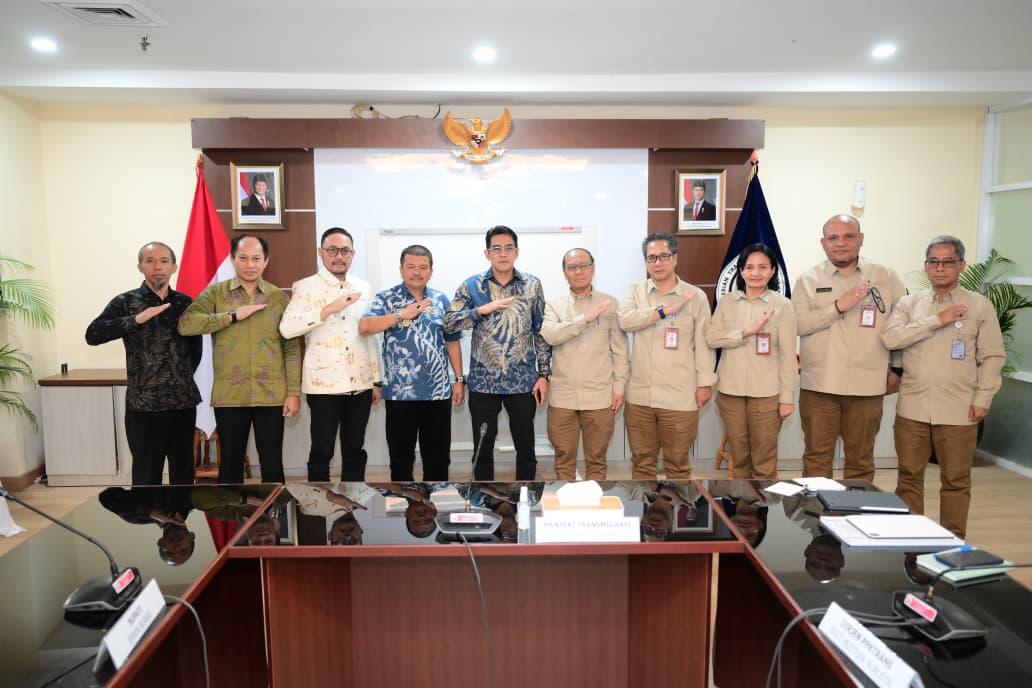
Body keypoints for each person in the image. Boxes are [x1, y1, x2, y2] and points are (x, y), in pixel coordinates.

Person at [880, 235, 1004, 538]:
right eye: (934, 262)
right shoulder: (909, 304)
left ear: (961, 265)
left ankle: (952, 542)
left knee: (956, 481)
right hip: (913, 408)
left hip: (959, 409)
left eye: (948, 262)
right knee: (909, 477)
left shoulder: (979, 306)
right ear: (926, 266)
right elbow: (891, 338)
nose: (940, 268)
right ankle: (909, 540)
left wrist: (983, 397)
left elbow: (992, 356)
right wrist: (935, 320)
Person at [178, 234, 301, 483]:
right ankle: (234, 510)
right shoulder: (216, 293)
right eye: (243, 258)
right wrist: (231, 316)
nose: (250, 264)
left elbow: (291, 348)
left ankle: (273, 509)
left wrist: (293, 392)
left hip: (271, 395)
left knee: (272, 464)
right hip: (230, 395)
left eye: (256, 258)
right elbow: (186, 324)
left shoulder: (279, 298)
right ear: (233, 260)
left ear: (266, 261)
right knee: (231, 465)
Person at [792, 214, 905, 482]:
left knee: (861, 459)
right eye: (833, 238)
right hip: (820, 385)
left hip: (868, 384)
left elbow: (902, 324)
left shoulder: (885, 276)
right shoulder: (808, 279)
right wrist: (837, 307)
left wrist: (898, 367)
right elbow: (798, 324)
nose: (840, 243)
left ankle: (856, 508)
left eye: (848, 236)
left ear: (861, 239)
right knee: (817, 458)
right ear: (823, 243)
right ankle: (816, 509)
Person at [86, 242, 201, 485]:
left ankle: (179, 512)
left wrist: (179, 377)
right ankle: (148, 512)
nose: (157, 266)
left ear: (174, 267)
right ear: (140, 267)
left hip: (182, 403)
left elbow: (195, 349)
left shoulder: (185, 303)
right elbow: (93, 334)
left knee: (183, 474)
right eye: (150, 261)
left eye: (164, 261)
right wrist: (136, 319)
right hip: (144, 406)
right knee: (146, 477)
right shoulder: (125, 302)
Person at [444, 226, 551, 480]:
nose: (503, 254)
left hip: (523, 383)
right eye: (497, 249)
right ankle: (483, 499)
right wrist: (481, 310)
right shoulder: (472, 286)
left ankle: (525, 498)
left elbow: (540, 331)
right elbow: (448, 324)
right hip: (484, 384)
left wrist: (544, 375)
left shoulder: (532, 285)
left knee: (526, 449)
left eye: (508, 248)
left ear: (517, 252)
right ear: (487, 253)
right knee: (482, 450)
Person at [280, 228, 382, 481]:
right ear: (321, 252)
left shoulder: (363, 287)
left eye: (345, 251)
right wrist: (326, 310)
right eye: (332, 250)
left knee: (355, 450)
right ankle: (318, 501)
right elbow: (287, 329)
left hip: (360, 383)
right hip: (323, 385)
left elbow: (370, 335)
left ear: (353, 254)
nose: (339, 256)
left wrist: (376, 379)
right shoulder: (305, 287)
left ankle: (353, 501)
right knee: (321, 450)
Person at [359, 245, 464, 481]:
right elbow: (364, 327)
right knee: (401, 460)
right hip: (400, 394)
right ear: (401, 270)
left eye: (423, 267)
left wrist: (459, 379)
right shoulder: (387, 298)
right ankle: (405, 502)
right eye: (411, 267)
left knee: (438, 460)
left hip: (437, 393)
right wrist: (400, 315)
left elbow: (452, 341)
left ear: (431, 271)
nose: (417, 272)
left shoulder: (440, 300)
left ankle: (432, 500)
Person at [617, 232, 716, 479]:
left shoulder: (695, 296)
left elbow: (704, 344)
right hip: (640, 397)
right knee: (642, 465)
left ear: (675, 258)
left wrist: (705, 383)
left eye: (664, 256)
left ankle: (674, 505)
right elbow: (624, 320)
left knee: (678, 466)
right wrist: (661, 312)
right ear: (645, 262)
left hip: (679, 398)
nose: (658, 263)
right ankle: (648, 506)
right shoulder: (635, 292)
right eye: (651, 258)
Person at [706, 244, 797, 479]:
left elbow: (788, 357)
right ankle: (742, 501)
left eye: (763, 267)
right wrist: (745, 333)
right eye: (749, 267)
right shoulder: (727, 302)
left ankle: (763, 502)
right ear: (741, 271)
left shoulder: (783, 306)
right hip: (731, 392)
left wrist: (787, 399)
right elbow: (712, 338)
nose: (755, 273)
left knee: (764, 460)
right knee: (739, 458)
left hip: (767, 394)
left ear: (773, 271)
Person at [541, 248, 629, 480]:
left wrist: (619, 388)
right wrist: (585, 319)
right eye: (572, 267)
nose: (578, 272)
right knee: (564, 459)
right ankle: (565, 501)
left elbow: (620, 351)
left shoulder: (609, 304)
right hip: (563, 396)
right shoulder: (554, 305)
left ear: (593, 268)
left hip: (599, 395)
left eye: (583, 266)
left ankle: (595, 502)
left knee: (597, 459)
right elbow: (550, 335)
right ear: (564, 272)